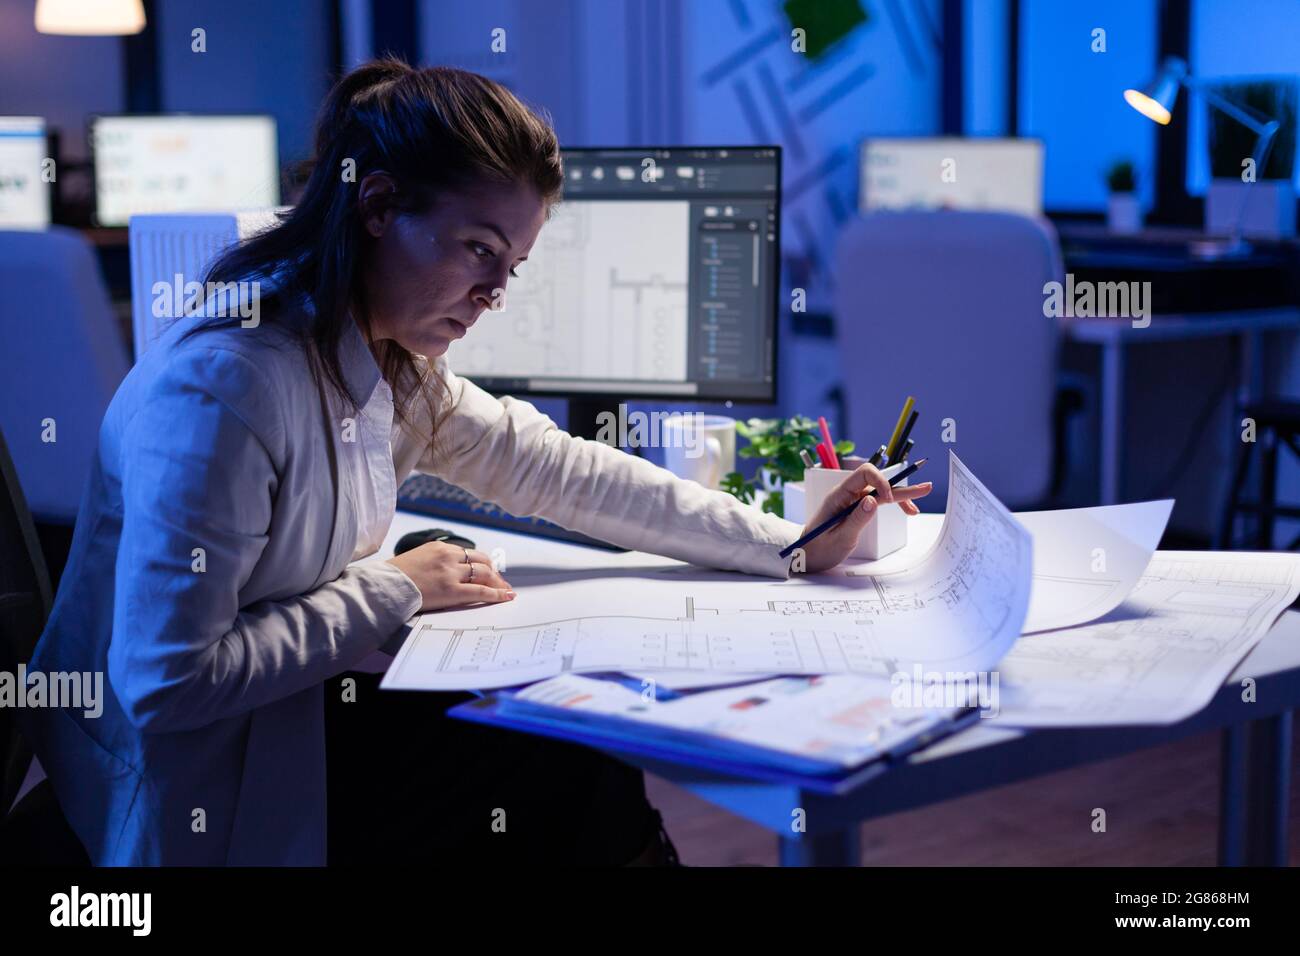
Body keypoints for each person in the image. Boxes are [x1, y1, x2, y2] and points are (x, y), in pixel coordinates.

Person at [20, 58, 931, 866]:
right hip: (202, 786)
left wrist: (790, 546)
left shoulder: (384, 357)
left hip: (293, 717)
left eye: (514, 266)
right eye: (479, 252)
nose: (495, 294)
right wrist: (397, 587)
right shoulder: (227, 388)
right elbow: (167, 682)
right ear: (378, 207)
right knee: (569, 776)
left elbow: (564, 470)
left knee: (570, 758)